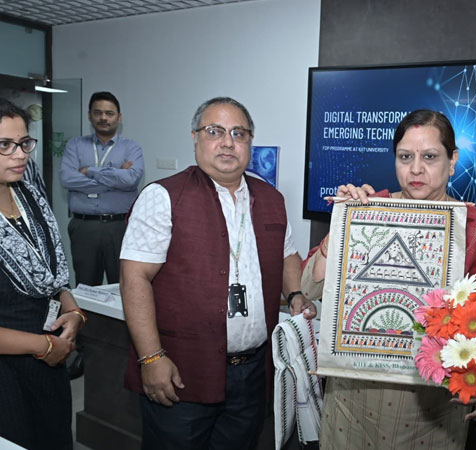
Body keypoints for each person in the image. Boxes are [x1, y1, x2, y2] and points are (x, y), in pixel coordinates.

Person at [301, 109, 476, 449]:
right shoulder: (369, 210)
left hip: (433, 413)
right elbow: (308, 288)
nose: (416, 168)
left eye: (429, 157)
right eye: (405, 157)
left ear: (452, 161)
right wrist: (342, 226)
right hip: (353, 402)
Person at [120, 96, 316, 450]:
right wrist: (150, 358)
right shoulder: (164, 196)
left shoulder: (271, 199)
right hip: (182, 371)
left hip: (252, 372)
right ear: (195, 137)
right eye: (215, 131)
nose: (228, 142)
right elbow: (134, 277)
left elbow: (287, 254)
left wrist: (295, 293)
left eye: (239, 133)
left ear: (250, 143)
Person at [0, 98, 85, 449]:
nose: (20, 154)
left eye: (24, 143)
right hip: (9, 366)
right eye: (5, 145)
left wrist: (73, 310)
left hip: (49, 356)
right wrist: (45, 345)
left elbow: (51, 274)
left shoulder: (30, 195)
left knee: (55, 437)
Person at [59, 91, 144, 286]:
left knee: (123, 285)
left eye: (109, 113)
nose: (103, 118)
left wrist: (90, 171)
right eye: (98, 113)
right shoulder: (75, 145)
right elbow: (67, 179)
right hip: (84, 227)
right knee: (85, 286)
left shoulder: (132, 147)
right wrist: (116, 177)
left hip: (119, 226)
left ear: (119, 117)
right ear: (90, 116)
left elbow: (131, 180)